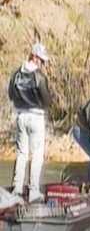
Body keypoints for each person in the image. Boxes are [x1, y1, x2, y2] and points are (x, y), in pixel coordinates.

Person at [8, 43, 51, 203]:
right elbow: (47, 100)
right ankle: (34, 192)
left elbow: (11, 94)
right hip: (35, 117)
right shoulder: (39, 76)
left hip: (20, 116)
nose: (43, 64)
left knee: (21, 153)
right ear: (34, 57)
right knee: (37, 154)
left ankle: (17, 189)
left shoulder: (16, 74)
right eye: (41, 60)